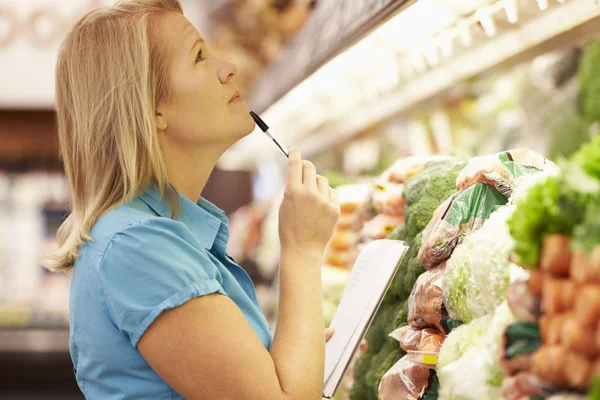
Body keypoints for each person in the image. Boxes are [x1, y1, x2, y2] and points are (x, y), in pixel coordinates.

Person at [45, 1, 340, 399]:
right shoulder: (139, 246)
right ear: (152, 108)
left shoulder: (162, 230)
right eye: (200, 56)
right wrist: (302, 248)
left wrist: (288, 352)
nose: (227, 67)